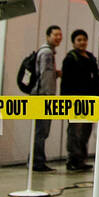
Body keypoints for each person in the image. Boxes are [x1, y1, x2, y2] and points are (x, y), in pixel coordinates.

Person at [60, 29, 99, 171]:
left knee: (85, 131)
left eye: (84, 39)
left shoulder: (90, 57)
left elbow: (96, 79)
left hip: (90, 101)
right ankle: (73, 160)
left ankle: (81, 160)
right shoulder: (70, 58)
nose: (82, 42)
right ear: (73, 42)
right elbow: (65, 82)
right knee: (75, 132)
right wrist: (66, 101)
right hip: (75, 102)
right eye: (79, 40)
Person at [30, 24, 62, 172]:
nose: (58, 38)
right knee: (41, 131)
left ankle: (36, 159)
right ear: (48, 36)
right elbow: (46, 76)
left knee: (40, 131)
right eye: (55, 35)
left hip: (40, 95)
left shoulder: (45, 52)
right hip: (43, 97)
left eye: (60, 35)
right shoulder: (47, 53)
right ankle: (37, 161)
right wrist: (49, 98)